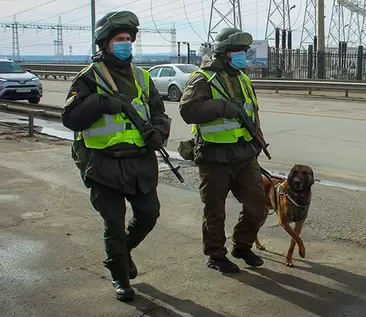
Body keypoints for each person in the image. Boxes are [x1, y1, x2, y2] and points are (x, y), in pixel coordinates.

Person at [61, 11, 171, 300]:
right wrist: (100, 103)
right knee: (114, 224)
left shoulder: (142, 77)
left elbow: (160, 114)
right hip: (103, 164)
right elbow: (70, 118)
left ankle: (124, 251)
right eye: (119, 39)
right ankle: (120, 277)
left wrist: (159, 133)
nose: (126, 44)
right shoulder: (88, 78)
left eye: (128, 39)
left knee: (149, 214)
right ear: (105, 43)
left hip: (139, 162)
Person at [178, 27, 265, 273]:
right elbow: (187, 111)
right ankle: (215, 255)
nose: (242, 56)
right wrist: (221, 107)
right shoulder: (203, 78)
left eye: (244, 52)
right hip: (214, 155)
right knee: (215, 211)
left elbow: (253, 113)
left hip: (244, 154)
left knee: (257, 204)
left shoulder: (243, 78)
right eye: (238, 51)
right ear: (224, 52)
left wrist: (258, 138)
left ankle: (242, 245)